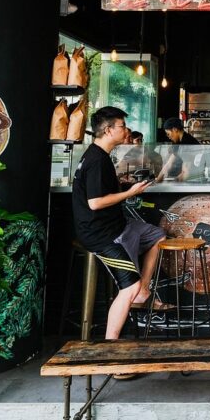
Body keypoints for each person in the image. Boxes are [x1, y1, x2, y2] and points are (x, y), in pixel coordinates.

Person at [72, 106, 166, 342]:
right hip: (102, 236)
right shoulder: (96, 160)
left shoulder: (100, 156)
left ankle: (144, 290)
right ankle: (109, 349)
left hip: (118, 225)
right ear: (107, 129)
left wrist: (121, 184)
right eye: (122, 126)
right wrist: (130, 192)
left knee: (157, 235)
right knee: (128, 288)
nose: (126, 131)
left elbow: (99, 191)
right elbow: (95, 203)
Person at [157, 117, 199, 182]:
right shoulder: (179, 143)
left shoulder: (187, 143)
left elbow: (187, 171)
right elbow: (168, 165)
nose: (169, 137)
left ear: (175, 129)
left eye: (168, 134)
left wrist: (176, 183)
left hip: (193, 182)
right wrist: (157, 181)